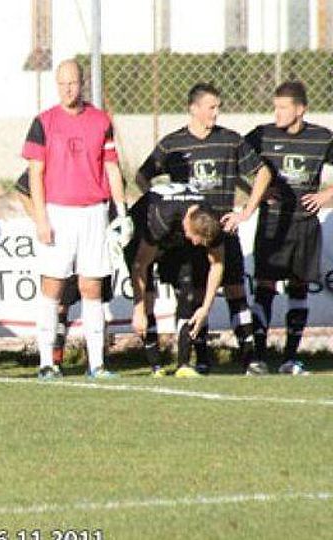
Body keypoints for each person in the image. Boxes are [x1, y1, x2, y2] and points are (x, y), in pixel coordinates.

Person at [136, 82, 272, 376]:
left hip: (221, 230)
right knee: (194, 294)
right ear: (193, 108)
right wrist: (158, 202)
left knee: (235, 290)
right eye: (211, 107)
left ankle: (249, 358)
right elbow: (142, 176)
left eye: (218, 107)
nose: (215, 112)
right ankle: (201, 358)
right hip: (188, 237)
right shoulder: (172, 144)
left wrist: (246, 211)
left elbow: (262, 173)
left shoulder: (230, 140)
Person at [22, 59, 129, 380]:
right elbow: (35, 173)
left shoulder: (101, 121)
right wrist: (41, 218)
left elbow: (111, 168)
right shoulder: (43, 122)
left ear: (82, 84)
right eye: (62, 84)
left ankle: (97, 364)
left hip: (94, 212)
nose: (68, 89)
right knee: (53, 285)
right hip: (58, 212)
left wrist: (121, 213)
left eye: (72, 83)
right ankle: (47, 362)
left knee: (91, 286)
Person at [245, 81, 333, 376]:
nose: (277, 113)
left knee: (299, 287)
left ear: (300, 109)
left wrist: (326, 194)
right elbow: (233, 163)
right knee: (265, 286)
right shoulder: (262, 135)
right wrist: (255, 192)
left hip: (305, 224)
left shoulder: (321, 137)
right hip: (273, 223)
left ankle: (291, 358)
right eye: (275, 107)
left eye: (283, 107)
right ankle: (258, 358)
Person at [13, 170, 114, 367]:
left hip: (92, 235)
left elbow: (116, 185)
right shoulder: (54, 156)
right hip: (63, 237)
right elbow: (23, 189)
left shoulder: (99, 157)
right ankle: (53, 360)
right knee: (59, 301)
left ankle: (96, 362)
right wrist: (41, 220)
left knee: (96, 297)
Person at [125, 184, 226, 377]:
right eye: (194, 237)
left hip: (174, 239)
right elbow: (140, 265)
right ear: (187, 223)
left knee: (187, 289)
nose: (196, 243)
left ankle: (183, 364)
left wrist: (205, 308)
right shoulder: (162, 217)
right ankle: (155, 365)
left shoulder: (210, 218)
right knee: (147, 298)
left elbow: (217, 264)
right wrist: (138, 309)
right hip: (142, 231)